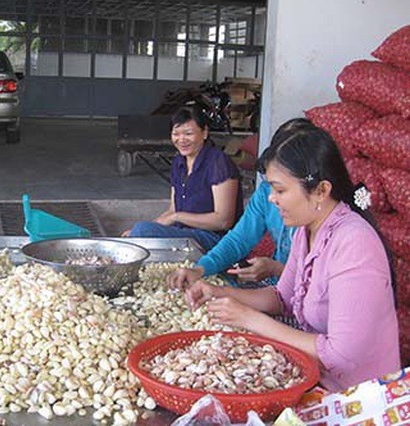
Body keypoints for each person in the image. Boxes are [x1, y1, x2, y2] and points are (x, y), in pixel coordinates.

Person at [169, 120, 399, 391]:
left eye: (280, 190)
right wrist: (219, 294)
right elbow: (282, 298)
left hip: (356, 397)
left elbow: (340, 355)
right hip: (314, 377)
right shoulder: (307, 230)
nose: (271, 199)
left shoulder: (354, 243)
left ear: (321, 191)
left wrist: (249, 319)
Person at [172, 119, 315, 288]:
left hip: (301, 294)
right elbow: (239, 239)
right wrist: (201, 269)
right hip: (277, 289)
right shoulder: (266, 193)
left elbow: (322, 284)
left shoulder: (332, 222)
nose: (272, 197)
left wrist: (278, 269)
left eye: (281, 190)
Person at [122, 107, 243, 252]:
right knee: (140, 231)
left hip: (214, 239)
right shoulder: (179, 162)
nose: (181, 140)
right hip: (185, 233)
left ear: (204, 132)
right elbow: (172, 210)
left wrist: (178, 217)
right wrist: (147, 229)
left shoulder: (218, 162)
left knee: (142, 231)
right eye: (176, 134)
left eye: (188, 133)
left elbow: (223, 221)